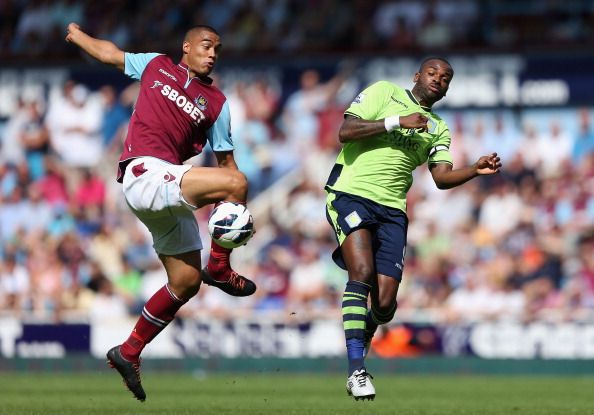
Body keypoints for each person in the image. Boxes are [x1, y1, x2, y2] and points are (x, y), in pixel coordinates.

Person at [65, 22, 257, 401]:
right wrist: (78, 35)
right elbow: (110, 55)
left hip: (164, 189)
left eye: (218, 48)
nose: (213, 53)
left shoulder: (217, 104)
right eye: (206, 45)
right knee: (236, 185)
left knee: (185, 282)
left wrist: (237, 213)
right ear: (186, 47)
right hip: (144, 171)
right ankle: (219, 267)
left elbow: (226, 160)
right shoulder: (157, 65)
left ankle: (129, 351)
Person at [324, 57, 502, 400]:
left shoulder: (438, 127)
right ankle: (356, 370)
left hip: (393, 211)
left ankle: (363, 343)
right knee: (360, 273)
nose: (439, 79)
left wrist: (473, 169)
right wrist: (397, 121)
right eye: (433, 73)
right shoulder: (384, 92)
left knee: (385, 305)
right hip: (351, 195)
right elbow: (345, 132)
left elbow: (441, 177)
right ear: (416, 76)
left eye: (446, 77)